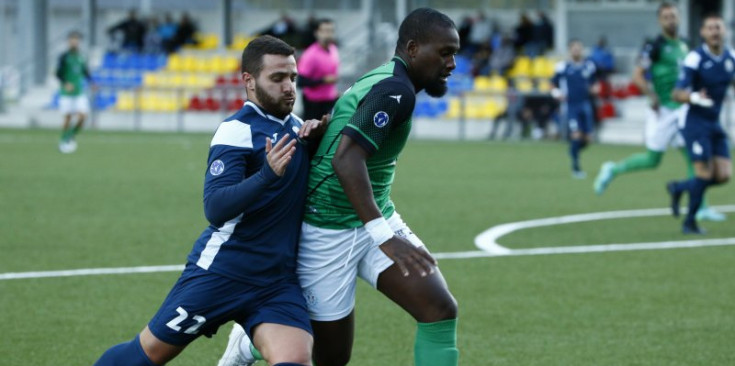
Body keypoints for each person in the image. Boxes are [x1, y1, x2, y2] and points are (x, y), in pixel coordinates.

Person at [218, 8, 460, 366]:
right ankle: (249, 344)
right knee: (332, 356)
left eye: (455, 53)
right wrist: (385, 236)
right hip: (329, 226)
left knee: (439, 309)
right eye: (444, 53)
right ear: (412, 48)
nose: (452, 63)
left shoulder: (389, 80)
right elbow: (345, 160)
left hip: (372, 214)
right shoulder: (395, 90)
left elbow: (338, 135)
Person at [93, 35, 328, 366]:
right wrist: (265, 176)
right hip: (223, 271)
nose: (288, 86)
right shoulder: (236, 130)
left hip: (276, 282)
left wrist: (320, 136)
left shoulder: (301, 130)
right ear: (248, 81)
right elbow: (215, 208)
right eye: (277, 78)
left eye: (292, 77)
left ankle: (243, 346)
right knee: (147, 354)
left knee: (295, 360)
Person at [593, 3, 724, 222]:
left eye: (673, 16)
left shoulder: (685, 44)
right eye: (666, 17)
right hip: (663, 109)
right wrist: (650, 95)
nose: (670, 20)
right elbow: (637, 75)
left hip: (684, 110)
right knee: (653, 160)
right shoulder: (654, 46)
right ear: (659, 21)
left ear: (680, 18)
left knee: (695, 159)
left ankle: (701, 206)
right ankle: (613, 169)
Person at [667, 14, 733, 234]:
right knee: (704, 174)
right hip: (694, 121)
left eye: (718, 27)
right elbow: (676, 93)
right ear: (702, 33)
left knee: (723, 175)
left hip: (713, 122)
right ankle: (690, 222)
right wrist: (695, 97)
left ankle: (679, 187)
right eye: (710, 28)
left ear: (724, 31)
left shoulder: (730, 57)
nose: (714, 31)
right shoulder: (695, 58)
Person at [551, 39, 598, 178]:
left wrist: (595, 88)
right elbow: (552, 84)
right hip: (571, 105)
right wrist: (557, 94)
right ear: (570, 50)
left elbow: (594, 82)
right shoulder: (562, 67)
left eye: (579, 48)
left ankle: (573, 150)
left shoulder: (588, 66)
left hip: (585, 104)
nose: (576, 50)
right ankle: (576, 168)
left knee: (588, 139)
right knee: (576, 134)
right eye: (574, 48)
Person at [56, 31, 92, 154]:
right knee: (67, 117)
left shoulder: (81, 57)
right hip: (66, 92)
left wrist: (92, 82)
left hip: (79, 92)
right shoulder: (64, 57)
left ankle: (69, 136)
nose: (74, 42)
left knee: (83, 116)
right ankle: (63, 139)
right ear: (68, 41)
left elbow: (86, 71)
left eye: (76, 40)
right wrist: (66, 83)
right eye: (72, 39)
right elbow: (58, 73)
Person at [297, 18, 340, 121]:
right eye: (325, 31)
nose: (328, 34)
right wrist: (323, 80)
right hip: (314, 105)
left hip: (330, 101)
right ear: (317, 33)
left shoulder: (334, 49)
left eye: (331, 31)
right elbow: (300, 82)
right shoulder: (310, 54)